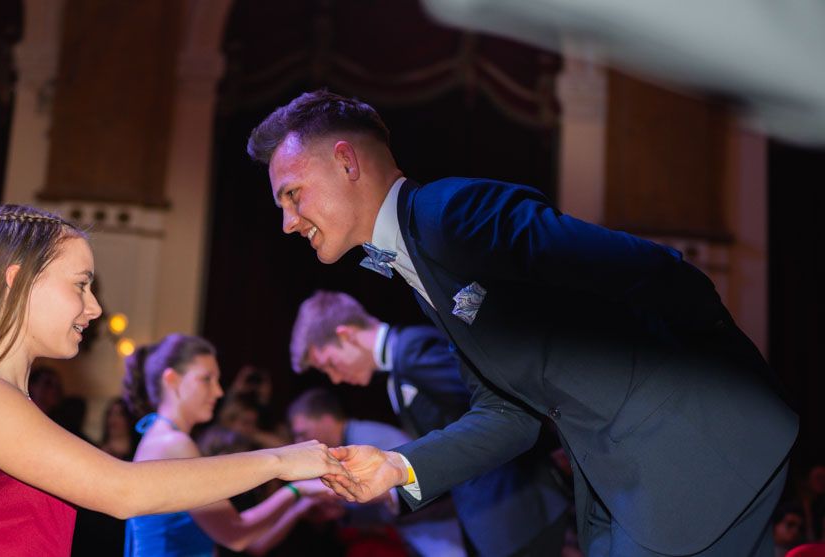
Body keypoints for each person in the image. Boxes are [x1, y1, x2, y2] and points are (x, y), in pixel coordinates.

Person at [247, 90, 799, 556]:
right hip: (628, 492)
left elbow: (656, 271)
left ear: (347, 162)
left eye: (292, 195)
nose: (288, 222)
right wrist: (396, 466)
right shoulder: (416, 263)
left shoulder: (451, 214)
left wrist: (722, 396)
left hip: (696, 458)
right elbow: (508, 415)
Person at [0, 205, 344, 556]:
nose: (94, 308)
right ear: (17, 281)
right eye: (81, 285)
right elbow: (124, 491)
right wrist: (282, 461)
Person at [291, 290, 570, 556]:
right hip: (494, 520)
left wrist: (551, 452)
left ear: (347, 335)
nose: (336, 379)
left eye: (329, 364)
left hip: (516, 511)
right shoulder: (403, 361)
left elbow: (503, 410)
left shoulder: (413, 352)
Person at [122, 334, 334, 557]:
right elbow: (237, 533)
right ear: (172, 380)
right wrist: (297, 489)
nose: (219, 392)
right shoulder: (173, 444)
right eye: (207, 379)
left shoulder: (160, 436)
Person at [288, 388, 467, 557]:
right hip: (422, 526)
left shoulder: (367, 440)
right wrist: (346, 513)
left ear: (326, 420)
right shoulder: (355, 438)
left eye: (303, 433)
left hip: (437, 524)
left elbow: (420, 486)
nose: (300, 441)